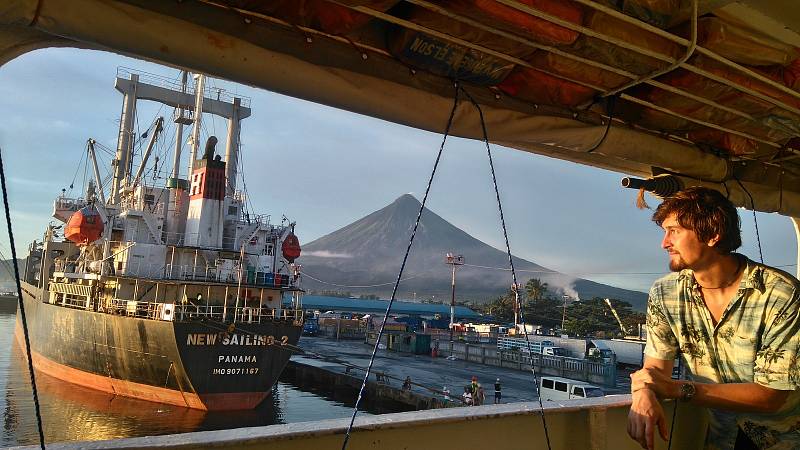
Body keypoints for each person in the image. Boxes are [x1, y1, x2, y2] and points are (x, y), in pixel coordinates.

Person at [627, 187, 800, 450]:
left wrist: (677, 390)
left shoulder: (780, 294)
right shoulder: (666, 293)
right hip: (721, 439)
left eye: (674, 231)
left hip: (785, 439)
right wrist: (643, 392)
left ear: (712, 234)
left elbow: (772, 395)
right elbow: (655, 370)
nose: (664, 243)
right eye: (665, 232)